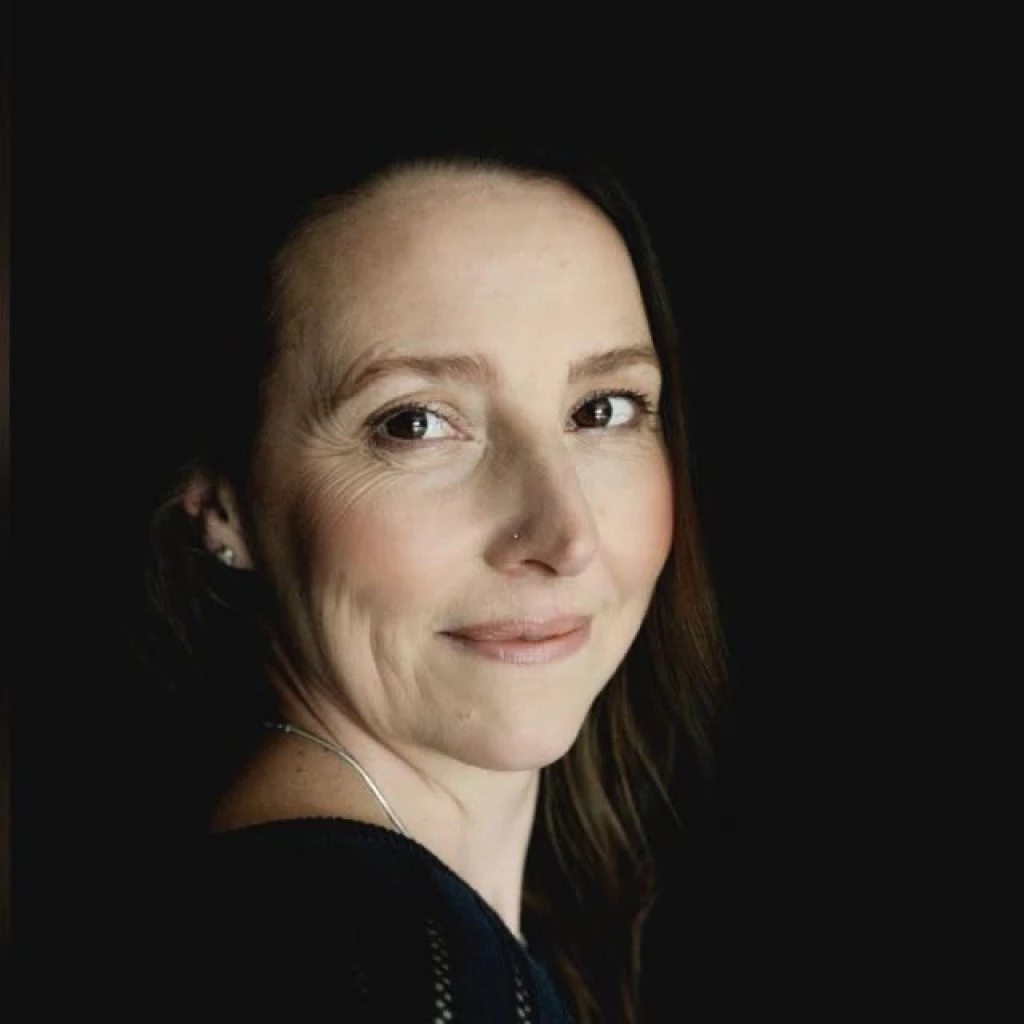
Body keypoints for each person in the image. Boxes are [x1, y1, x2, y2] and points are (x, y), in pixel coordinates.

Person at [134, 136, 726, 1023]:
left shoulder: (360, 930)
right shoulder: (378, 970)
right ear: (225, 503)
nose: (565, 537)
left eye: (601, 410)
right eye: (414, 423)